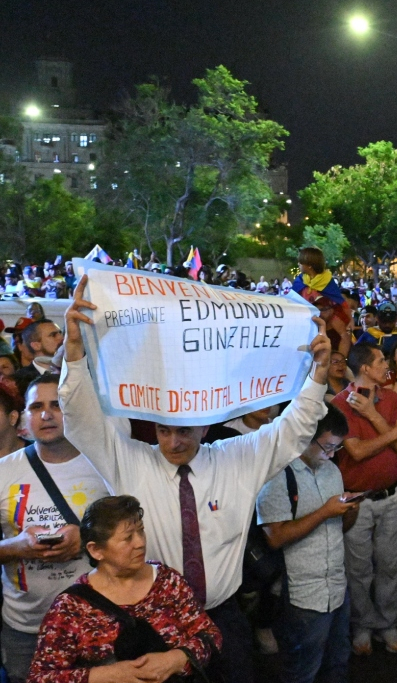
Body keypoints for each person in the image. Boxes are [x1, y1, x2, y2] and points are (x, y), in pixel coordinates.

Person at [59, 276, 334, 683]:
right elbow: (81, 421)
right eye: (164, 430)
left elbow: (292, 429)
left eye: (184, 430)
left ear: (205, 427)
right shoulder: (128, 461)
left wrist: (318, 375)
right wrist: (75, 352)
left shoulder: (237, 459)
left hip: (224, 616)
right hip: (153, 623)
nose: (173, 441)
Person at [28, 496, 222, 683]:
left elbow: (210, 636)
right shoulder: (71, 607)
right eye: (128, 537)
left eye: (141, 531)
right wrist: (106, 676)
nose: (140, 543)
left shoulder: (167, 581)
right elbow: (40, 677)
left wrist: (175, 660)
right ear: (96, 550)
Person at [0, 375, 111, 683]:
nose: (46, 414)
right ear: (24, 417)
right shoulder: (3, 472)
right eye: (36, 407)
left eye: (57, 405)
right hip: (25, 629)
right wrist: (16, 547)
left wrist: (85, 540)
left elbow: (134, 537)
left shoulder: (105, 466)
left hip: (95, 621)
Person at [256, 407, 359, 683]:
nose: (332, 454)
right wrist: (325, 512)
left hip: (337, 585)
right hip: (303, 593)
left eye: (337, 447)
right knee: (302, 669)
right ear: (305, 437)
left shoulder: (332, 471)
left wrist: (350, 512)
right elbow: (275, 537)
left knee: (337, 663)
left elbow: (340, 528)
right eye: (327, 447)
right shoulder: (277, 476)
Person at [330, 343, 397, 656]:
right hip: (358, 500)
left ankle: (387, 623)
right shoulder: (340, 403)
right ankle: (363, 624)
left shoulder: (389, 397)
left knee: (390, 565)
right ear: (365, 368)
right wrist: (391, 433)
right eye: (381, 361)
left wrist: (373, 415)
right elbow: (358, 451)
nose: (388, 365)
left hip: (390, 498)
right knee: (359, 570)